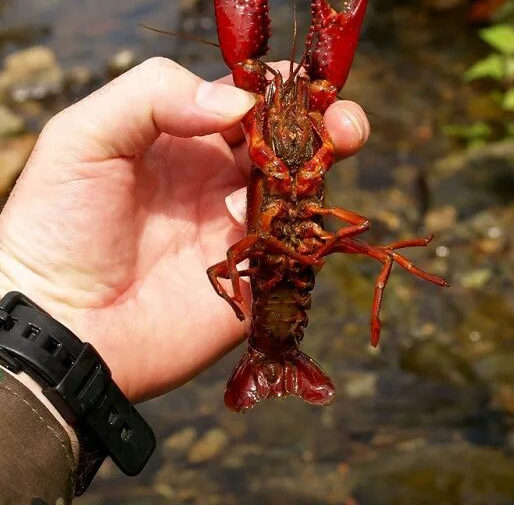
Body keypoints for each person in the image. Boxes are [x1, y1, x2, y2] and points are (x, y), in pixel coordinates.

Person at [0, 57, 370, 504]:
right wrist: (51, 302)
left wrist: (48, 316)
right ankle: (275, 352)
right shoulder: (282, 146)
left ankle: (279, 352)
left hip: (278, 278)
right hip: (273, 271)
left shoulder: (271, 144)